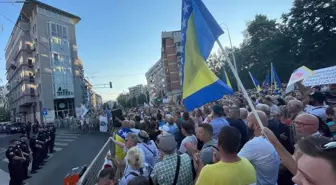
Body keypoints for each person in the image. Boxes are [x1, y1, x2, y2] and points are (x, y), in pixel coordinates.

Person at [238, 110, 280, 185]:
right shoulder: (270, 138)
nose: (246, 124)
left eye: (248, 121)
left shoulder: (254, 144)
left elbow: (233, 162)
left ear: (256, 125)